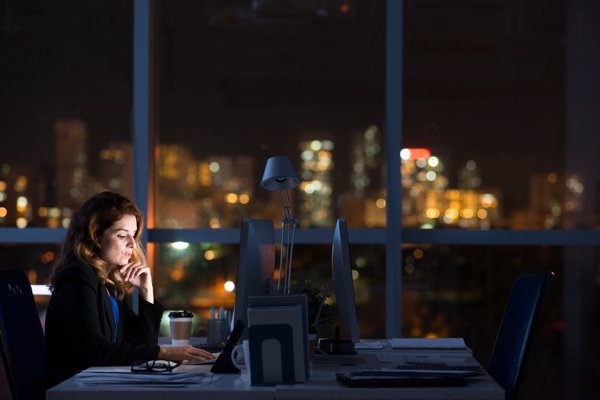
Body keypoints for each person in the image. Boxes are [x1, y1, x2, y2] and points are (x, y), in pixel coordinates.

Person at [44, 191, 214, 387]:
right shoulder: (78, 278)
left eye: (133, 235)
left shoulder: (107, 283)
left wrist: (146, 292)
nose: (132, 244)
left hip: (94, 387)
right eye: (122, 235)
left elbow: (144, 344)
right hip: (71, 390)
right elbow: (94, 351)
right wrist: (165, 353)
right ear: (96, 236)